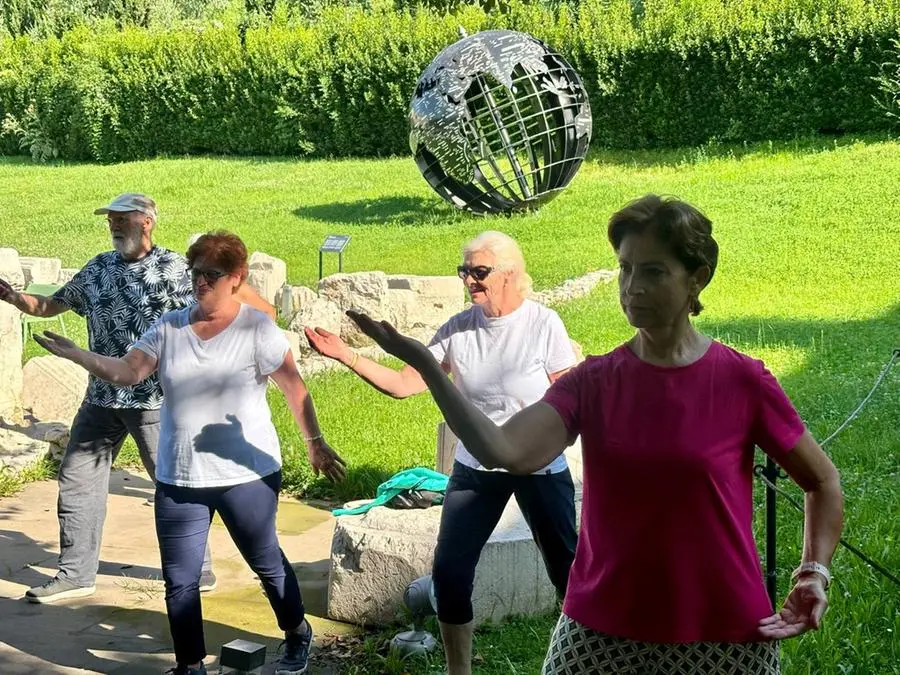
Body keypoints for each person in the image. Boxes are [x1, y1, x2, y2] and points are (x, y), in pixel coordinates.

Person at [347, 195, 844, 674]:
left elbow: (822, 481)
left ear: (698, 279)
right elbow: (502, 450)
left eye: (653, 271)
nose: (633, 287)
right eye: (626, 269)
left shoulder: (742, 381)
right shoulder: (594, 382)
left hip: (724, 626)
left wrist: (813, 571)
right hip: (602, 624)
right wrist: (430, 370)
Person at [35, 230, 345, 675]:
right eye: (195, 272)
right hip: (180, 478)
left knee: (266, 563)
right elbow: (128, 372)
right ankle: (191, 665)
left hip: (247, 475)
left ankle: (296, 632)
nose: (200, 282)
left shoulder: (256, 329)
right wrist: (79, 356)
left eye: (211, 275)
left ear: (236, 278)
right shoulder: (170, 327)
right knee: (180, 582)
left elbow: (295, 389)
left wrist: (314, 444)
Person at [306, 231, 579, 675]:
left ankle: (575, 659)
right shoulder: (457, 328)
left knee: (568, 573)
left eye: (479, 271)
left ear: (510, 273)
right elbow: (404, 383)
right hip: (477, 467)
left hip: (538, 465)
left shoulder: (543, 324)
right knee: (450, 575)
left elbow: (568, 396)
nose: (469, 279)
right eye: (464, 270)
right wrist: (346, 356)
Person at [0, 193, 274, 604]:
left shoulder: (179, 269)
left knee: (176, 486)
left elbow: (255, 311)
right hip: (102, 397)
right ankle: (76, 574)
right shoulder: (98, 268)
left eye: (121, 219)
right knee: (76, 479)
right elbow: (51, 305)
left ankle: (198, 571)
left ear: (146, 223)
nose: (113, 225)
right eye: (110, 219)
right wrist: (11, 297)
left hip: (156, 400)